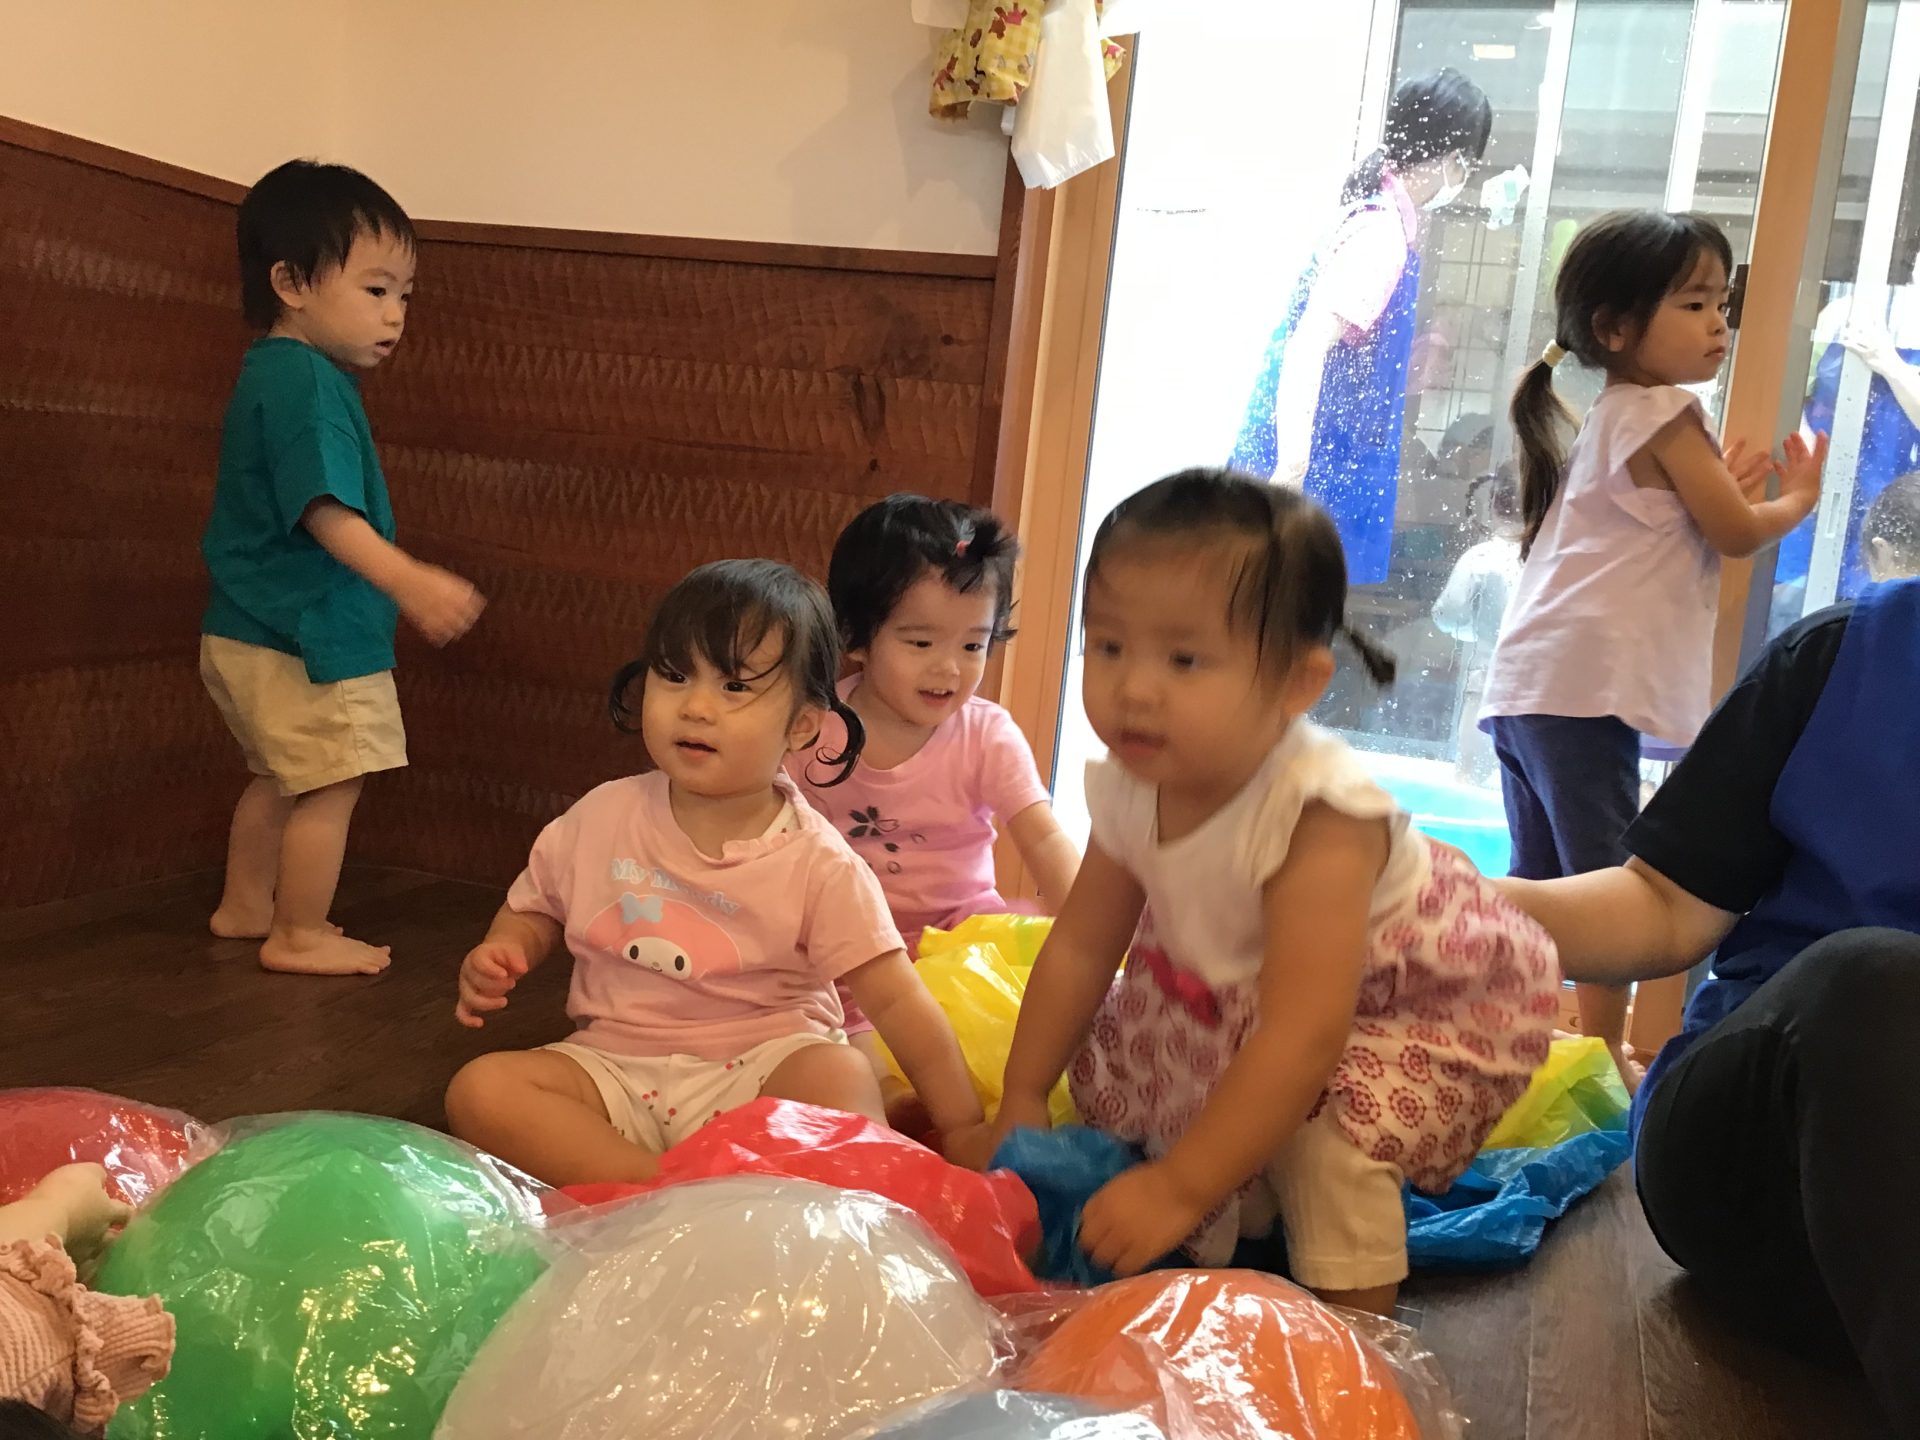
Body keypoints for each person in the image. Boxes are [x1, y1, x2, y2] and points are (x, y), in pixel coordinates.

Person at [958, 471, 1558, 1313]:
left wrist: (1179, 1186)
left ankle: (1358, 1341)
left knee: (1323, 1149)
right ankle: (1248, 1208)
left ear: (1297, 684)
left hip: (1393, 1006)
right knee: (1145, 1099)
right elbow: (1084, 946)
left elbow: (1306, 1035)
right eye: (1109, 646)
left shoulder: (1318, 817)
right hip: (1241, 992)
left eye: (1184, 659)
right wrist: (1023, 1093)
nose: (1135, 688)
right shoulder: (1137, 778)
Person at [1495, 574, 1920, 1434]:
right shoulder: (1847, 653)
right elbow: (1663, 904)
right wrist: (1426, 895)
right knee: (1879, 982)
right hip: (1761, 1149)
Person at [442, 560, 983, 1186]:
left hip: (765, 1070)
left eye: (734, 686)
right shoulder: (601, 814)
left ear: (802, 725)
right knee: (481, 1090)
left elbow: (898, 1000)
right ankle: (659, 1187)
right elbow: (535, 903)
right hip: (614, 1068)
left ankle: (664, 1192)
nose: (696, 707)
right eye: (675, 676)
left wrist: (963, 1125)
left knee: (838, 1075)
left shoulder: (818, 861)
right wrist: (505, 947)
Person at [1479, 210, 1825, 1078]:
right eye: (1694, 304)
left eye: (1722, 305)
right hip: (1585, 691)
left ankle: (1513, 1049)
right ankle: (1600, 1057)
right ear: (1615, 328)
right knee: (1602, 883)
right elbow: (1736, 532)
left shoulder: (1613, 414)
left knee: (1540, 885)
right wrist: (1796, 501)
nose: (1718, 325)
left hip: (1530, 685)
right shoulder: (1668, 412)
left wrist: (1718, 491)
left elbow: (1666, 521)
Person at [199, 161, 485, 977]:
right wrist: (410, 579)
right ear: (291, 282)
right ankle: (299, 932)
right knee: (334, 780)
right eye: (375, 289)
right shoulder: (309, 385)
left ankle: (247, 905)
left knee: (280, 775)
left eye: (405, 295)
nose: (395, 314)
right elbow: (325, 511)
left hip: (246, 627)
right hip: (308, 638)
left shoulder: (272, 370)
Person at [787, 495, 1081, 1114]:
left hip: (966, 941)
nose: (949, 669)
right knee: (846, 1062)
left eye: (974, 646)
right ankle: (906, 1112)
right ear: (856, 635)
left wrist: (1094, 934)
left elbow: (1045, 839)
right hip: (855, 958)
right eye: (920, 642)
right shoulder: (814, 732)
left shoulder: (986, 734)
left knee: (1039, 1017)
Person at [1228, 68, 1493, 586]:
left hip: (1332, 459)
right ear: (1452, 157)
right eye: (1468, 163)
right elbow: (1307, 347)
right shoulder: (1381, 235)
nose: (1466, 176)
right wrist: (1291, 473)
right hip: (1313, 469)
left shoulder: (1383, 221)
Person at [1432, 465, 1523, 786]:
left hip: (1486, 677)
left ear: (1493, 503)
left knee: (1468, 775)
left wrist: (1472, 630)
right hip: (1537, 690)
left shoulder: (1483, 556)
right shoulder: (1549, 558)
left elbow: (1448, 613)